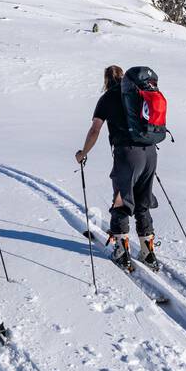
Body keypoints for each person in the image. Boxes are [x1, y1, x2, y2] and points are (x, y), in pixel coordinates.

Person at [74, 65, 161, 272]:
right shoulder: (139, 92)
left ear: (106, 80)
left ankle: (122, 252)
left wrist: (83, 153)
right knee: (143, 201)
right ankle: (148, 253)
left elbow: (95, 129)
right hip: (150, 152)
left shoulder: (107, 98)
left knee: (122, 201)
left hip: (128, 155)